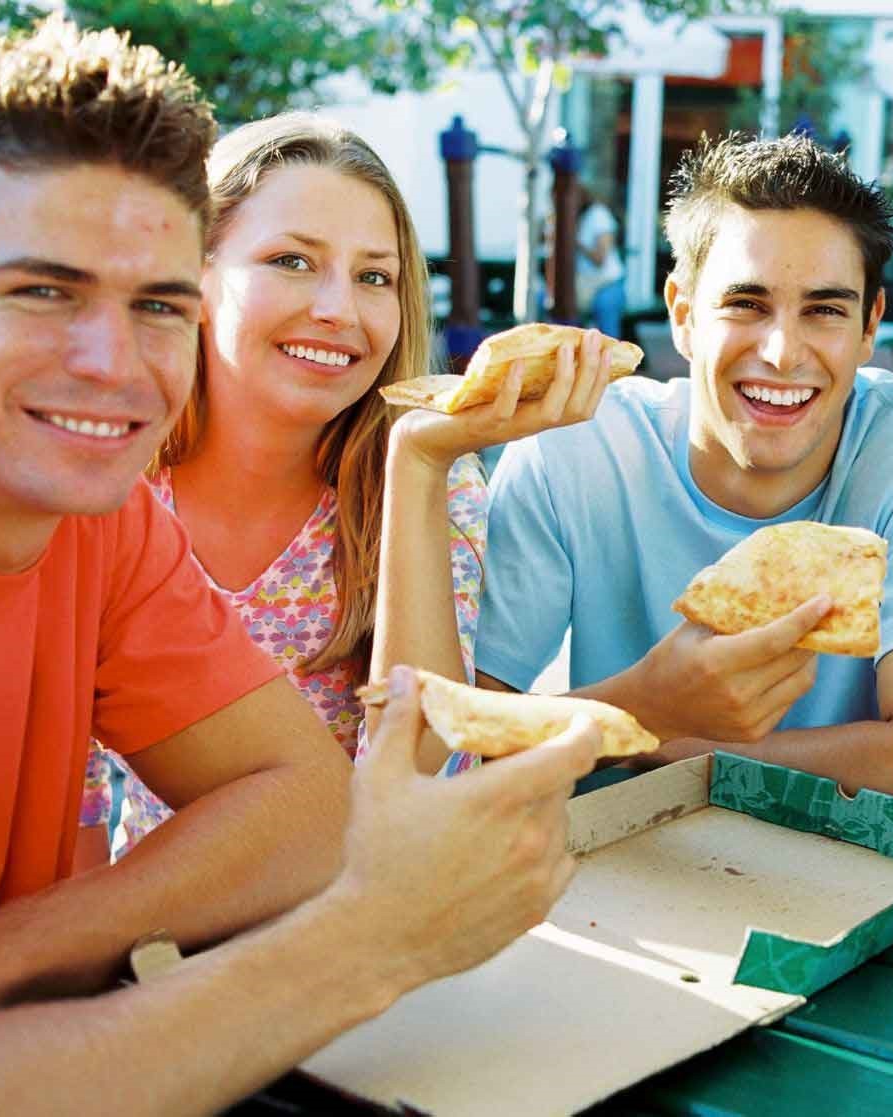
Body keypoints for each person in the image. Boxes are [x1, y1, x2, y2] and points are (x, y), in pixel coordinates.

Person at [0, 19, 594, 1110]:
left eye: (157, 304)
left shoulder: (97, 512)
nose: (109, 364)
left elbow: (314, 806)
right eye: (43, 290)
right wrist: (372, 942)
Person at [81, 113, 613, 852]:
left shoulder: (437, 479)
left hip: (366, 919)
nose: (338, 309)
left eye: (374, 277)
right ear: (196, 273)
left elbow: (419, 769)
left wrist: (419, 466)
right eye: (292, 262)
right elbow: (71, 796)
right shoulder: (111, 484)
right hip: (153, 931)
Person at [475, 133, 893, 813]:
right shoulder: (576, 449)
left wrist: (656, 734)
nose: (783, 352)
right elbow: (468, 739)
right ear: (684, 314)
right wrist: (644, 704)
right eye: (746, 304)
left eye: (825, 310)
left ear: (870, 325)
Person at [576, 191, 624, 338]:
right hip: (583, 284)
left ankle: (611, 358)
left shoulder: (598, 215)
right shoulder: (577, 217)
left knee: (604, 307)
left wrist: (576, 242)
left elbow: (600, 259)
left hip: (607, 283)